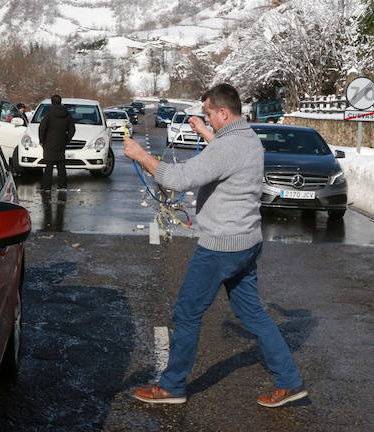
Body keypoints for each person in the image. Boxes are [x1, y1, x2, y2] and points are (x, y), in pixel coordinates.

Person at [123, 83, 306, 408]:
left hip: (221, 246)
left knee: (187, 312)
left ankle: (171, 386)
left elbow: (177, 180)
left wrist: (140, 155)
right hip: (247, 241)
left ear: (223, 112)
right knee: (253, 315)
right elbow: (229, 158)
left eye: (208, 113)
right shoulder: (247, 138)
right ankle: (289, 382)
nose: (205, 117)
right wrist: (207, 132)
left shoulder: (227, 148)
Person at [38, 95, 75, 192]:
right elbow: (72, 129)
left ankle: (46, 187)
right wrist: (67, 139)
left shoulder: (49, 114)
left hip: (49, 142)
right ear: (60, 101)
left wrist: (42, 140)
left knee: (49, 166)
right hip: (61, 142)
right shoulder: (67, 114)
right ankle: (62, 186)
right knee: (61, 165)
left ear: (52, 102)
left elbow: (42, 128)